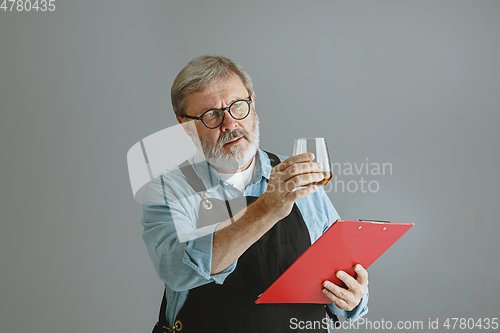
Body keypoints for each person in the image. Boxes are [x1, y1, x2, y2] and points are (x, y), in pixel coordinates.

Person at [141, 55, 369, 333]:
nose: (230, 123)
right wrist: (267, 209)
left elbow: (338, 276)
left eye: (238, 106)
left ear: (252, 102)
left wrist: (352, 298)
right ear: (186, 126)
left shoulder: (297, 176)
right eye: (211, 114)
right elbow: (177, 272)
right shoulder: (170, 190)